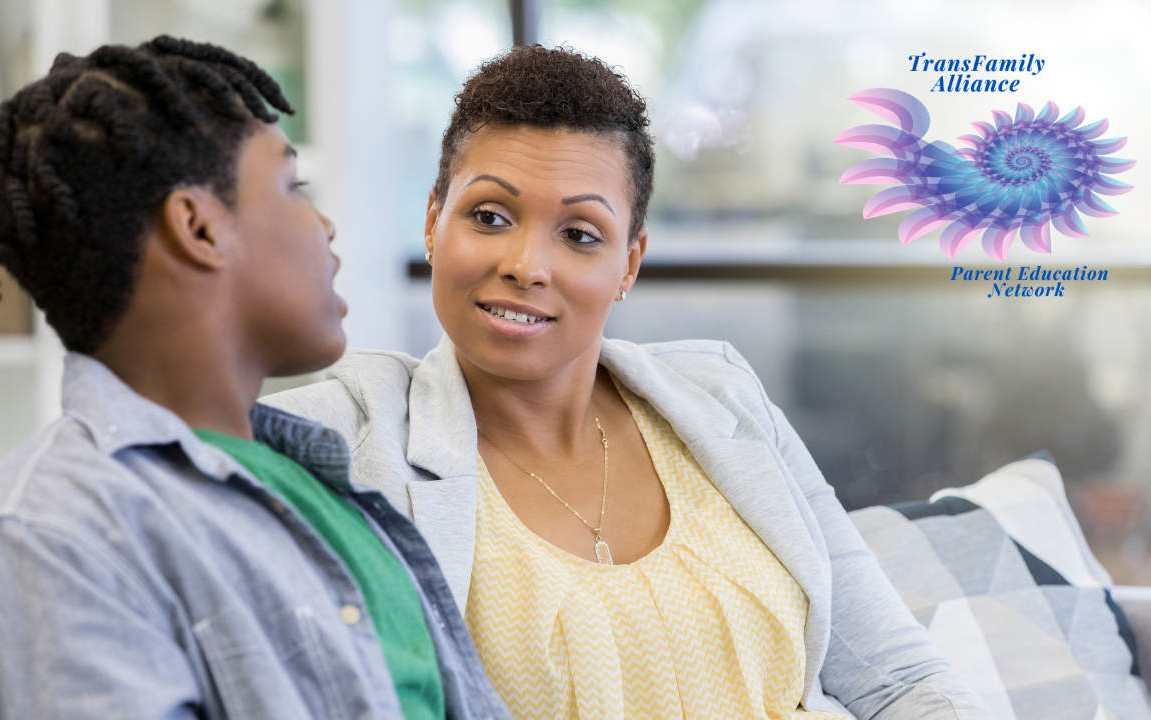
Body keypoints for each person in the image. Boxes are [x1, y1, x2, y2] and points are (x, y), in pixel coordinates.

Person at [266, 45, 992, 720]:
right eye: (489, 216)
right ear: (433, 222)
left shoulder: (723, 403)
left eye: (580, 234)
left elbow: (901, 679)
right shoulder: (355, 437)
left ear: (630, 261)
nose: (527, 264)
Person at [0, 37, 510, 720]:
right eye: (292, 188)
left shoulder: (321, 477)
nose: (326, 226)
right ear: (199, 227)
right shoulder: (53, 529)